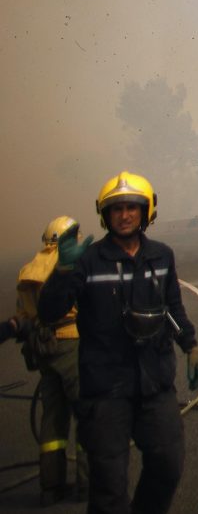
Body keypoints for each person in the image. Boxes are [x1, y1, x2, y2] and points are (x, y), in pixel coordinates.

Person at [38, 171, 198, 514]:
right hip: (105, 391)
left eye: (132, 207)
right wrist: (64, 272)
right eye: (117, 209)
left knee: (168, 465)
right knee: (108, 486)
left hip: (155, 384)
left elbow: (172, 306)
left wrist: (191, 345)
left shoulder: (161, 256)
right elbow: (49, 310)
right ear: (105, 214)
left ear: (146, 212)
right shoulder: (87, 260)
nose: (125, 214)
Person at [8, 216, 89, 505]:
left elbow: (24, 315)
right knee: (87, 414)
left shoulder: (28, 270)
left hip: (44, 349)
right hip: (72, 344)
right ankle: (87, 484)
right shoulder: (71, 265)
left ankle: (51, 487)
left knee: (52, 420)